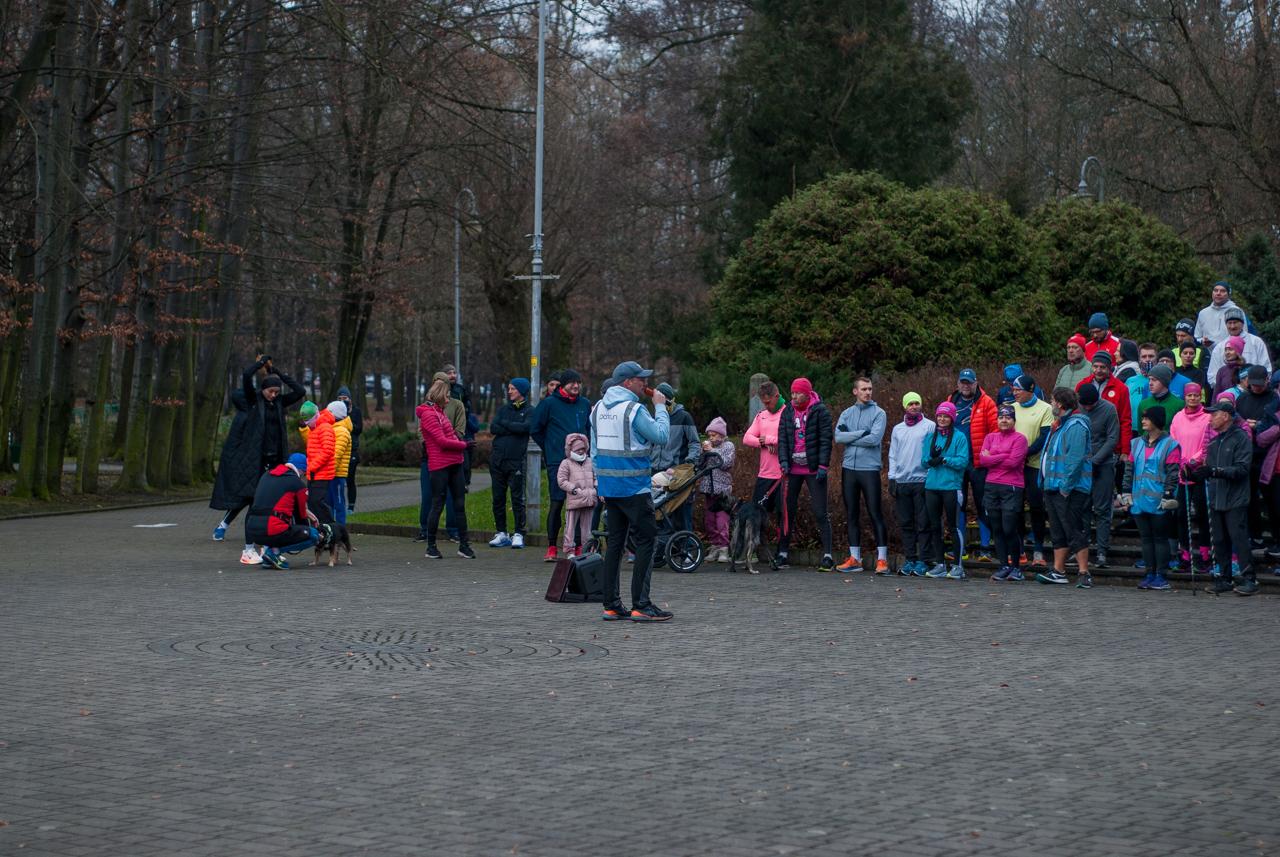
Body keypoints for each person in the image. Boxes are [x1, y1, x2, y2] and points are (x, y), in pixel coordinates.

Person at [593, 361, 672, 622]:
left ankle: (612, 605)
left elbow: (596, 452)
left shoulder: (597, 409)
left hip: (610, 488)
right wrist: (660, 407)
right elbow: (661, 435)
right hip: (635, 488)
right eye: (642, 380)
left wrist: (601, 483)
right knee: (646, 541)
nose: (646, 384)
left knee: (614, 544)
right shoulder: (633, 409)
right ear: (627, 383)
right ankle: (641, 605)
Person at [1195, 400, 1258, 595]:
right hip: (1216, 497)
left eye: (1215, 414)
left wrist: (1214, 471)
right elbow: (1209, 471)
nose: (1211, 418)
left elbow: (1241, 469)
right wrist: (1194, 474)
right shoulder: (1214, 442)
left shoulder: (1241, 438)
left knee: (1238, 539)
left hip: (1235, 498)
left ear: (1227, 416)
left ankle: (1250, 579)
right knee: (1219, 540)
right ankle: (1225, 578)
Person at [532, 369, 593, 560]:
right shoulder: (548, 404)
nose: (576, 386)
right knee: (557, 503)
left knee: (578, 504)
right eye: (572, 383)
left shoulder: (584, 404)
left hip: (582, 464)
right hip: (557, 462)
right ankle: (552, 547)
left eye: (579, 383)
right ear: (563, 385)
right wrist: (551, 448)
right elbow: (536, 429)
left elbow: (588, 430)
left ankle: (577, 545)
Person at [1120, 407, 1182, 591]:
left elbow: (1172, 474)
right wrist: (1125, 491)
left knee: (1159, 538)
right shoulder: (1136, 443)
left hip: (1159, 501)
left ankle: (1161, 576)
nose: (1143, 421)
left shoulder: (1170, 445)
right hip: (1139, 500)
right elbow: (1129, 469)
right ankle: (1149, 573)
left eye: (1147, 418)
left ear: (1156, 421)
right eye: (1142, 418)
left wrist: (1168, 494)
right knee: (1146, 539)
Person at [1038, 387, 1093, 587]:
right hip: (1053, 486)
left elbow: (1075, 459)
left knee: (1073, 529)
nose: (1051, 404)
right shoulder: (1061, 424)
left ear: (1060, 404)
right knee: (1058, 531)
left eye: (1052, 400)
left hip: (1069, 489)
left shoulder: (1075, 425)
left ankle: (1084, 573)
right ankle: (1058, 571)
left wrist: (1066, 487)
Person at [778, 377, 835, 572]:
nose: (793, 396)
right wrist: (783, 461)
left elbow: (826, 439)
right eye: (792, 392)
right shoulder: (787, 411)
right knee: (787, 511)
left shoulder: (820, 411)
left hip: (813, 469)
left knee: (820, 512)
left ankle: (828, 556)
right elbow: (783, 437)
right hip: (792, 468)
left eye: (797, 393)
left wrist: (823, 466)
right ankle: (783, 554)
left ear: (807, 393)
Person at [834, 377, 888, 572]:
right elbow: (838, 437)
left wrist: (851, 436)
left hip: (870, 469)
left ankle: (882, 560)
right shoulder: (847, 413)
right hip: (849, 468)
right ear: (855, 392)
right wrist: (861, 433)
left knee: (875, 513)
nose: (868, 392)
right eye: (864, 389)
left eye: (870, 389)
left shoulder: (879, 413)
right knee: (851, 514)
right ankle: (855, 559)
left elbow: (874, 439)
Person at [419, 379, 473, 559]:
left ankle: (464, 545)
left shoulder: (439, 413)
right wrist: (464, 446)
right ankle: (431, 546)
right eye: (447, 397)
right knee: (437, 506)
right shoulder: (429, 414)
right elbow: (441, 442)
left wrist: (459, 442)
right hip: (440, 466)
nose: (449, 400)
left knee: (459, 505)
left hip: (454, 464)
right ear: (439, 396)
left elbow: (449, 436)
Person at [949, 368, 998, 562]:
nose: (966, 385)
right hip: (957, 463)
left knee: (982, 503)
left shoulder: (986, 402)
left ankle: (985, 548)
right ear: (958, 383)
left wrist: (990, 454)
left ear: (976, 383)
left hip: (978, 463)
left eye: (969, 382)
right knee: (958, 504)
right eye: (962, 382)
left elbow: (995, 431)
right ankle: (959, 548)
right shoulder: (951, 400)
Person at [246, 453, 320, 569]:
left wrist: (305, 511)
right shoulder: (298, 484)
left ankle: (268, 559)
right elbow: (300, 518)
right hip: (273, 530)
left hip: (252, 530)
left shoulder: (266, 475)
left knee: (279, 526)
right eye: (304, 474)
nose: (303, 477)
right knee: (314, 536)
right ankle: (273, 552)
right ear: (300, 470)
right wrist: (308, 531)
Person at [1234, 364, 1280, 552]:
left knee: (1272, 500)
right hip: (1247, 454)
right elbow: (1236, 420)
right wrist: (1245, 425)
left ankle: (1276, 538)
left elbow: (1274, 421)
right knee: (1249, 498)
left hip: (1268, 455)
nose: (1256, 387)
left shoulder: (1274, 398)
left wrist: (1259, 425)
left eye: (1260, 384)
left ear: (1267, 381)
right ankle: (1256, 536)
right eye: (1252, 384)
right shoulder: (1243, 398)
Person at [888, 392, 934, 577]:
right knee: (906, 523)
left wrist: (930, 476)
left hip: (922, 480)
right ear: (904, 407)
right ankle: (910, 560)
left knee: (924, 523)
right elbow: (893, 453)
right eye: (910, 404)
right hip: (903, 482)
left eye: (917, 403)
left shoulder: (930, 426)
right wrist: (892, 477)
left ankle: (924, 561)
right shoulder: (898, 429)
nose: (914, 406)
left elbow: (933, 452)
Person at [921, 401, 969, 579]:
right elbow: (923, 462)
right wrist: (931, 459)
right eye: (939, 416)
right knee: (935, 526)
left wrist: (943, 460)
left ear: (952, 418)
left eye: (946, 416)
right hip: (931, 487)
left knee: (953, 526)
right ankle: (940, 564)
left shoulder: (959, 437)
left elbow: (963, 461)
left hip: (951, 487)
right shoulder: (930, 437)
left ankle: (957, 566)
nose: (942, 419)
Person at [982, 405, 1029, 582]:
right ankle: (1003, 566)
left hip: (1012, 486)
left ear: (1014, 420)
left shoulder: (1020, 438)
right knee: (998, 529)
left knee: (1010, 528)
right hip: (991, 486)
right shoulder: (990, 437)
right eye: (1001, 418)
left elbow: (1013, 462)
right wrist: (1003, 455)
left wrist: (994, 456)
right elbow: (983, 460)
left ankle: (1015, 567)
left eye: (1008, 418)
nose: (1004, 421)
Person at [1012, 374, 1054, 566]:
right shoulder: (1011, 408)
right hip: (1014, 467)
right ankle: (1020, 551)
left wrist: (1024, 453)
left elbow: (1044, 436)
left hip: (1034, 465)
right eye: (1013, 389)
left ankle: (1038, 550)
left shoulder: (1045, 408)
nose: (1014, 393)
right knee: (1016, 509)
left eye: (1018, 390)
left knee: (1036, 508)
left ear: (1030, 390)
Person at [743, 381, 787, 565]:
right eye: (763, 403)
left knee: (782, 516)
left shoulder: (787, 414)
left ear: (777, 396)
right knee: (756, 515)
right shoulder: (761, 416)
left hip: (783, 475)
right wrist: (763, 443)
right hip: (765, 475)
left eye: (768, 402)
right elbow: (747, 438)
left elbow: (791, 439)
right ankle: (750, 552)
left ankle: (782, 554)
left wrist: (771, 439)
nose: (766, 406)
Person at [649, 382, 701, 534]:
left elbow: (694, 443)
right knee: (657, 509)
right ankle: (661, 548)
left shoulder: (684, 417)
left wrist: (689, 463)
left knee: (679, 510)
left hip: (674, 473)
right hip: (656, 472)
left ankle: (685, 547)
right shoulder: (654, 418)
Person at [210, 388, 256, 559]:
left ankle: (222, 527)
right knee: (246, 498)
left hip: (236, 462)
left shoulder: (241, 415)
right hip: (240, 464)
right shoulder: (247, 417)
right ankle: (223, 527)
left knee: (245, 498)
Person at [1170, 384, 1212, 571]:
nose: (1193, 398)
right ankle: (1185, 555)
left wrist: (1194, 459)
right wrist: (1181, 461)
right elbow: (1173, 440)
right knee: (1181, 515)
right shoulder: (1178, 417)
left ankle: (1204, 555)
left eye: (1197, 395)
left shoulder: (1208, 418)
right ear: (1185, 398)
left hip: (1199, 471)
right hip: (1182, 472)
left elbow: (1207, 442)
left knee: (1202, 514)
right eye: (1190, 395)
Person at [1078, 383, 1119, 569]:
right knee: (1082, 509)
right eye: (1085, 405)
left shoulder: (1109, 409)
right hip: (1081, 467)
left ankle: (1102, 551)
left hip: (1103, 465)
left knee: (1102, 510)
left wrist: (1095, 460)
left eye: (1091, 405)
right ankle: (1081, 551)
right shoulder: (1077, 408)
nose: (1088, 408)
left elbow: (1112, 439)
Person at [487, 378, 532, 549]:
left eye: (513, 389)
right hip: (498, 460)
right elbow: (493, 428)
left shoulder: (529, 410)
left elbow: (525, 428)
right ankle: (502, 533)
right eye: (509, 388)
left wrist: (505, 425)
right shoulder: (503, 409)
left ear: (521, 390)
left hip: (516, 461)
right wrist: (512, 426)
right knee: (498, 498)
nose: (510, 391)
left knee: (517, 498)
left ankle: (519, 533)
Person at [1075, 351, 1134, 480]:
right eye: (1095, 366)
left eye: (1102, 367)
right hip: (1086, 444)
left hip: (1111, 445)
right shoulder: (1082, 385)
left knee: (1106, 483)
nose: (1098, 370)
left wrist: (1124, 450)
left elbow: (1125, 420)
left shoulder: (1120, 388)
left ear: (1109, 368)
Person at [697, 417, 736, 563]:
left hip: (722, 488)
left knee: (722, 519)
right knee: (710, 519)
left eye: (713, 435)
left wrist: (713, 451)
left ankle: (724, 548)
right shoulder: (708, 446)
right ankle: (715, 544)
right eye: (709, 436)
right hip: (709, 487)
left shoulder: (728, 446)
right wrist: (702, 452)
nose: (711, 438)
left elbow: (726, 464)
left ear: (721, 434)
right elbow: (700, 465)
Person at [1207, 307, 1271, 384]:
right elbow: (1212, 376)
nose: (1232, 326)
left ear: (1242, 323)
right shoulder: (1220, 347)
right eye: (1229, 323)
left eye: (1235, 322)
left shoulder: (1256, 342)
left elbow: (1266, 369)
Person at [557, 433, 595, 558]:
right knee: (570, 526)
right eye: (577, 449)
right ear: (571, 450)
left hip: (589, 499)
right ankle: (569, 550)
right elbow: (562, 480)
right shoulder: (566, 463)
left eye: (582, 449)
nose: (580, 452)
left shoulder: (590, 461)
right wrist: (574, 489)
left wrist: (595, 489)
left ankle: (586, 548)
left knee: (586, 528)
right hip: (575, 499)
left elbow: (596, 477)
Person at [303, 399, 337, 523]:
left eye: (308, 421)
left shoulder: (325, 427)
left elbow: (327, 451)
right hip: (314, 472)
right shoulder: (314, 428)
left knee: (318, 502)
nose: (307, 424)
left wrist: (312, 466)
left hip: (322, 472)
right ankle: (319, 531)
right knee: (312, 502)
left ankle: (331, 529)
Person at [335, 385, 363, 513]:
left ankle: (351, 507)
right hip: (338, 449)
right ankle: (336, 505)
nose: (342, 400)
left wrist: (347, 421)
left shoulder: (356, 412)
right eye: (340, 398)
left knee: (350, 480)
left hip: (352, 450)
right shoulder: (334, 411)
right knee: (337, 481)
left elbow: (358, 429)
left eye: (345, 398)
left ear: (350, 399)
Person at [1194, 281, 1242, 350]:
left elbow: (1243, 335)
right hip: (1208, 355)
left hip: (1229, 354)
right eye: (1216, 290)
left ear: (1228, 294)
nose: (1218, 293)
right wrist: (1202, 341)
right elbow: (1197, 336)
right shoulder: (1203, 313)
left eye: (1222, 291)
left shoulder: (1236, 311)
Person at [1137, 364, 1185, 435]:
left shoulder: (1179, 405)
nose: (1150, 383)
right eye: (1149, 379)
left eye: (1154, 380)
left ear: (1164, 382)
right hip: (1146, 444)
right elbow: (1140, 432)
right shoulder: (1143, 403)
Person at [327, 400, 352, 525]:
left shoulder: (342, 431)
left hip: (337, 474)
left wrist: (329, 470)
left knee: (339, 503)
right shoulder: (332, 428)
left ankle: (340, 529)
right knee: (329, 503)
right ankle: (330, 528)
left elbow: (337, 454)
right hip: (331, 473)